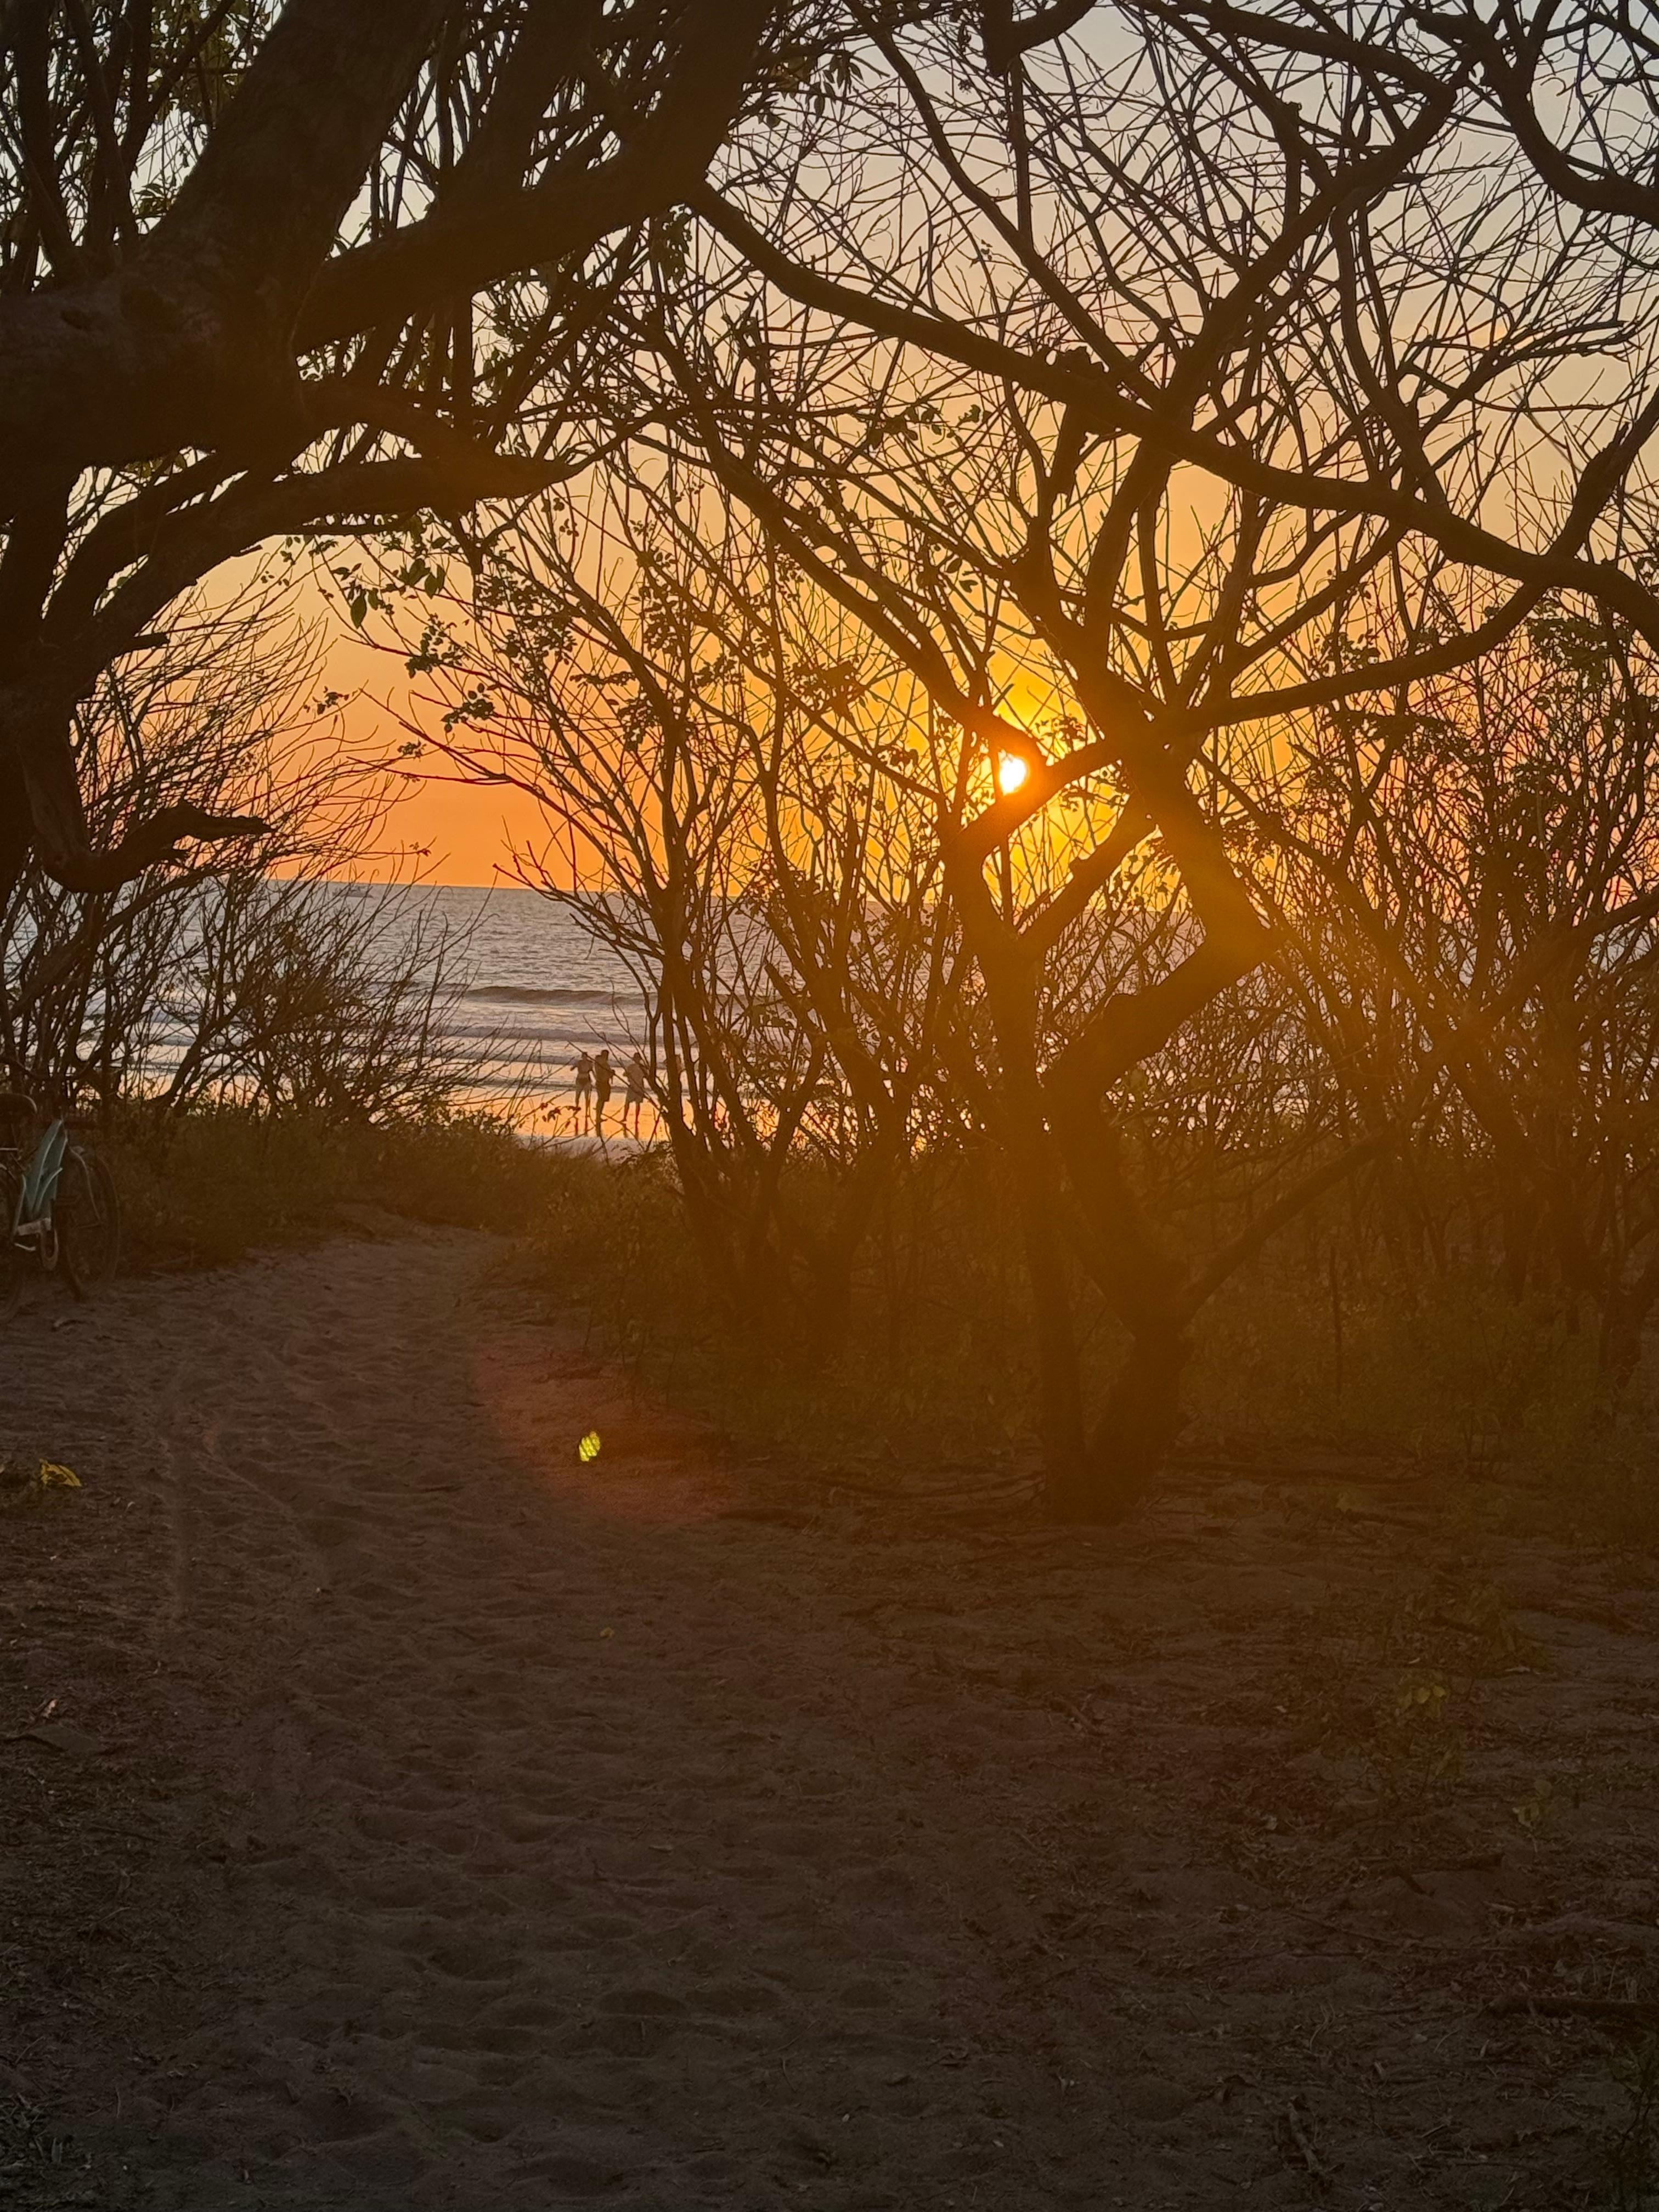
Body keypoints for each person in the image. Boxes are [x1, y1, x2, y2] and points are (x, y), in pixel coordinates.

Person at [624, 1051, 650, 1139]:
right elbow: (625, 1074)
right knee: (628, 1103)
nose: (637, 1060)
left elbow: (647, 1076)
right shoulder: (632, 1067)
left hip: (639, 1087)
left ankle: (635, 1119)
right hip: (633, 1086)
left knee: (636, 1104)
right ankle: (626, 1118)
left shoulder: (642, 1068)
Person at [592, 1048, 613, 1141]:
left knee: (603, 1099)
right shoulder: (600, 1063)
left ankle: (599, 1116)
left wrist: (611, 1073)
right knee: (601, 1099)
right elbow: (600, 1073)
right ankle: (598, 1116)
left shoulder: (604, 1064)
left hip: (605, 1082)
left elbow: (607, 1073)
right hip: (602, 1082)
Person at [573, 1051, 593, 1136]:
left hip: (587, 1079)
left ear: (587, 1057)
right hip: (580, 1079)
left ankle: (587, 1112)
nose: (584, 1058)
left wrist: (595, 1080)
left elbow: (592, 1071)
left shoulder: (590, 1063)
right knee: (577, 1096)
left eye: (585, 1056)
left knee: (587, 1097)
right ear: (582, 1057)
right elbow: (573, 1068)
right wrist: (574, 1067)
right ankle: (576, 1109)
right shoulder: (579, 1063)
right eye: (583, 1056)